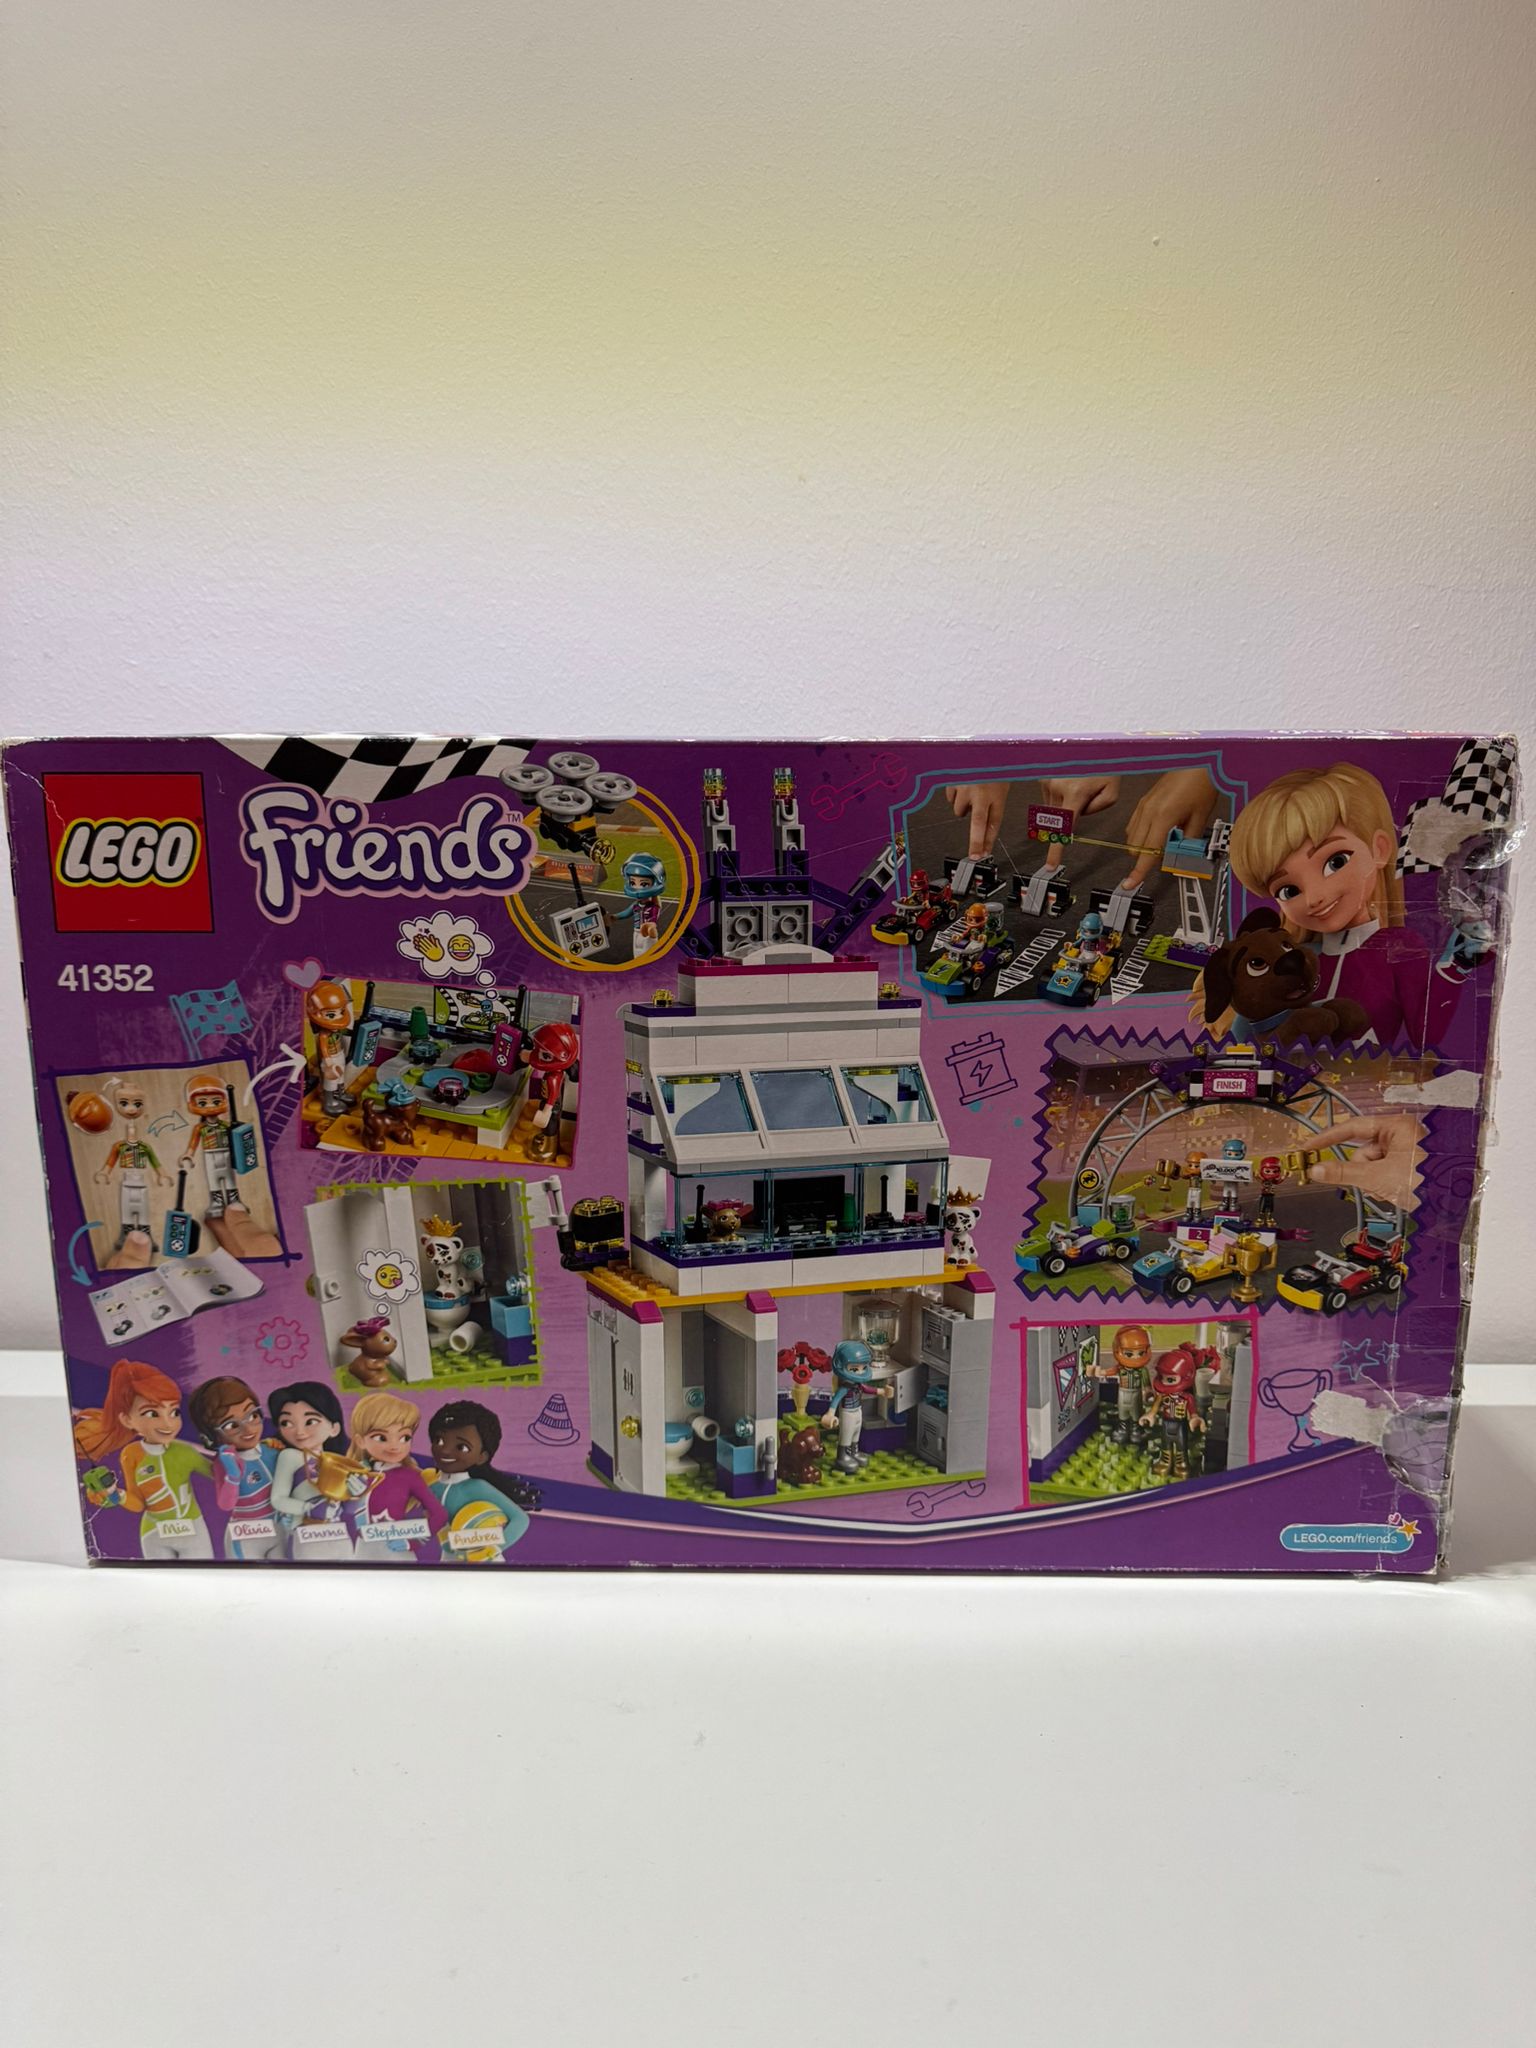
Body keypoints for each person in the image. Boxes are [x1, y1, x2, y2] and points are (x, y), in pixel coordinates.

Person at [1222, 763, 1484, 1050]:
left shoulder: (1398, 948)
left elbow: (1426, 1035)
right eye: (1289, 890)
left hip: (1364, 1076)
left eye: (1335, 862)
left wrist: (1454, 967)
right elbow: (1247, 1030)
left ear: (1379, 849)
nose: (1314, 898)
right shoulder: (1298, 959)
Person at [73, 1359, 214, 1561]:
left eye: (174, 1412)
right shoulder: (131, 1454)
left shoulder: (186, 1451)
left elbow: (222, 1478)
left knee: (203, 1576)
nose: (168, 1423)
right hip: (153, 1534)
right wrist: (115, 1494)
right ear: (127, 1419)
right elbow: (138, 1503)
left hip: (194, 1531)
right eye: (152, 1413)